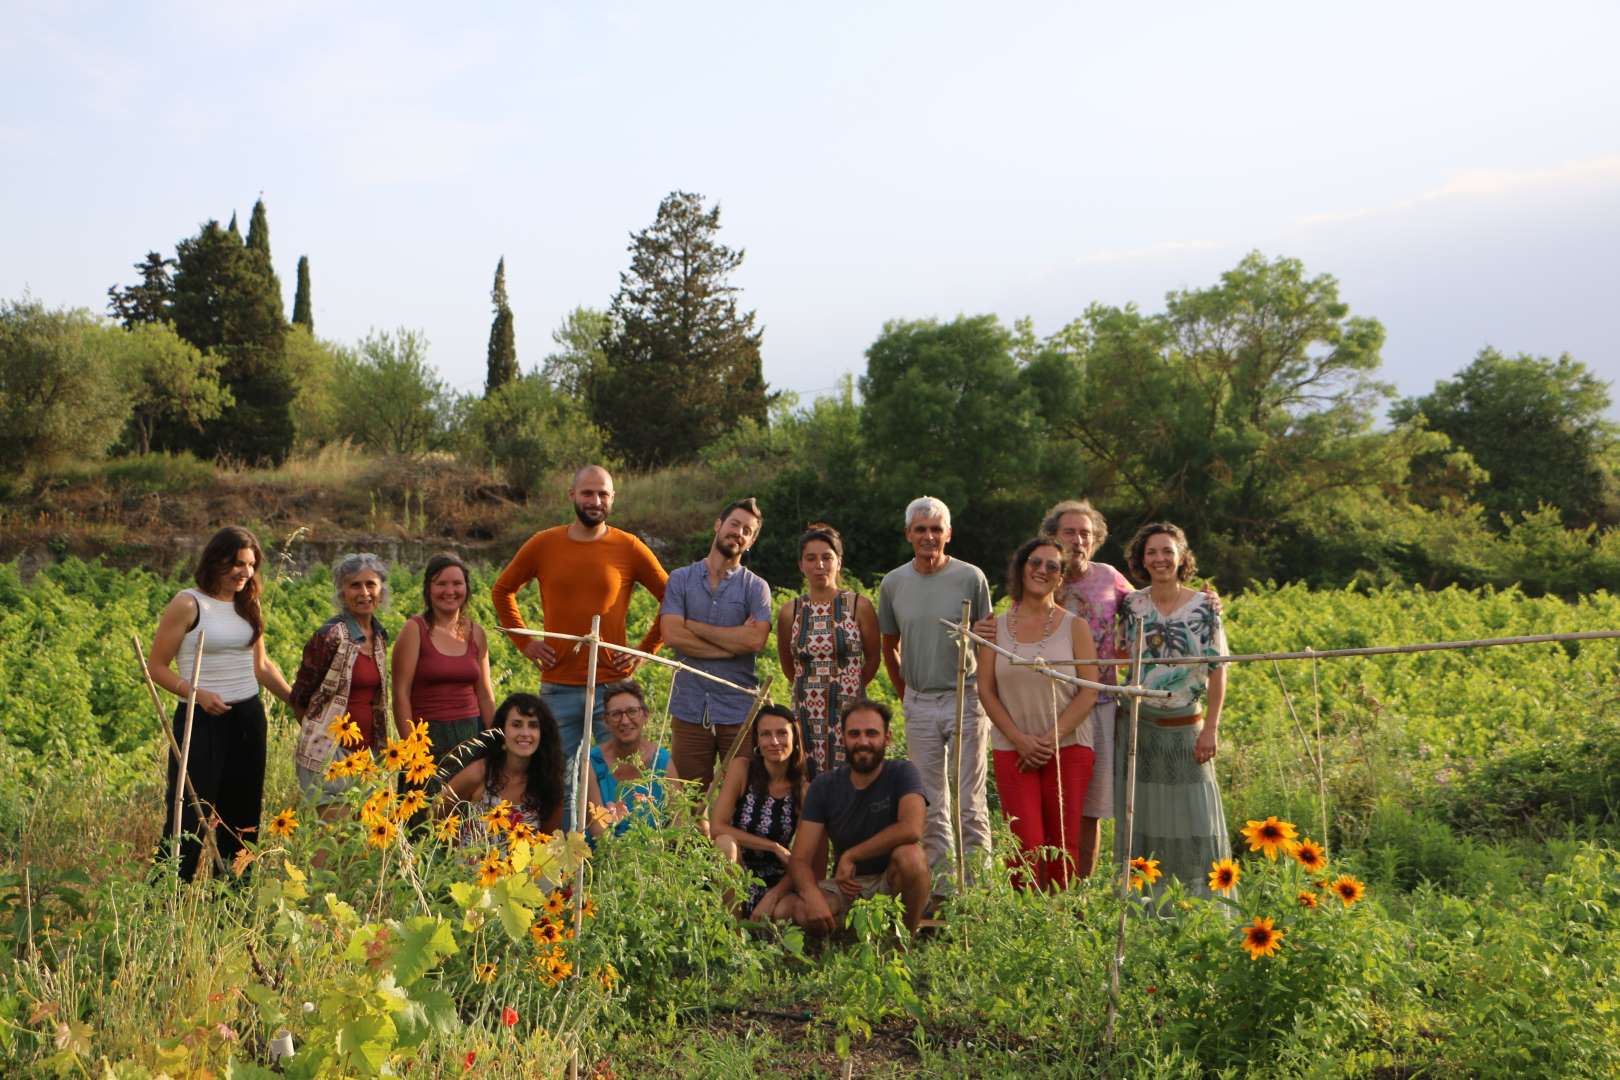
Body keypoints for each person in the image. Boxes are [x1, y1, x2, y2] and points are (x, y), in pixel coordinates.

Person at [491, 465, 669, 826]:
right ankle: (565, 863)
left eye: (603, 494)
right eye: (587, 493)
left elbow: (673, 598)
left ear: (612, 499)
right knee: (558, 778)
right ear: (572, 495)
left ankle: (612, 861)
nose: (595, 500)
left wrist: (642, 651)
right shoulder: (544, 543)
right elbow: (502, 590)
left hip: (612, 690)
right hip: (559, 688)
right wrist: (525, 642)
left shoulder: (628, 547)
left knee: (615, 779)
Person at [147, 526, 292, 880]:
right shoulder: (188, 603)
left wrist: (297, 703)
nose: (245, 572)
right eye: (237, 563)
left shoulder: (248, 603)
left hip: (247, 718)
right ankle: (166, 901)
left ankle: (232, 901)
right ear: (216, 561)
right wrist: (195, 693)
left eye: (251, 565)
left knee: (242, 819)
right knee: (189, 816)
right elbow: (155, 667)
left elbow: (261, 666)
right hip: (201, 720)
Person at [877, 496, 992, 889]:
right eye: (921, 529)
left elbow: (987, 638)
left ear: (948, 534)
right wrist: (905, 692)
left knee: (970, 803)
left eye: (936, 529)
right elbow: (889, 643)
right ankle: (941, 891)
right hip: (920, 701)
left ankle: (978, 892)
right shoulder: (894, 583)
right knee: (930, 803)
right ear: (909, 534)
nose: (929, 536)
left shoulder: (971, 578)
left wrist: (986, 693)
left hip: (966, 696)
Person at [976, 538, 1100, 890]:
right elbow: (986, 689)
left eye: (1052, 566)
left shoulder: (1075, 626)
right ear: (1021, 567)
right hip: (1012, 749)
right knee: (1024, 845)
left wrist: (1048, 740)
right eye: (1035, 562)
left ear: (1061, 578)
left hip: (1069, 747)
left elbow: (1089, 689)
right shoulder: (993, 627)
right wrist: (1020, 741)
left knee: (1064, 845)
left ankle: (1063, 924)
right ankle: (1024, 926)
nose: (1042, 571)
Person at [1116, 522, 1230, 898]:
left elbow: (1218, 670)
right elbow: (1120, 656)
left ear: (1182, 557)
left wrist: (1211, 729)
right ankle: (1146, 907)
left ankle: (1197, 906)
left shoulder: (1205, 606)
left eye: (1167, 551)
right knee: (1145, 818)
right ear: (1141, 559)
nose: (1160, 559)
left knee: (1194, 816)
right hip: (1141, 727)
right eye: (1152, 552)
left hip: (1186, 728)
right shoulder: (1133, 605)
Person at [785, 699, 932, 935]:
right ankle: (851, 940)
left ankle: (903, 942)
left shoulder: (903, 772)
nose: (863, 741)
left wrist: (852, 855)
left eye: (871, 733)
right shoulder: (825, 785)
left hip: (893, 881)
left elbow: (912, 828)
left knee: (912, 857)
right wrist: (812, 897)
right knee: (796, 909)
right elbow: (800, 859)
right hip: (848, 886)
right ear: (843, 738)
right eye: (854, 734)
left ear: (887, 738)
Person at [659, 497, 772, 794]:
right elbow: (671, 634)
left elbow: (755, 639)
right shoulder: (680, 579)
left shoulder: (755, 587)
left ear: (751, 542)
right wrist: (730, 644)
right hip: (689, 708)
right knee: (688, 801)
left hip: (738, 710)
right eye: (734, 524)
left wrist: (693, 626)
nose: (739, 532)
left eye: (747, 530)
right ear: (718, 525)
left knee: (742, 797)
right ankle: (696, 843)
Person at [290, 553, 394, 813]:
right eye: (354, 585)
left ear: (381, 590)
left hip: (368, 755)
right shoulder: (330, 636)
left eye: (371, 584)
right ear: (342, 592)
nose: (364, 592)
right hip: (330, 754)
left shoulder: (380, 636)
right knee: (331, 840)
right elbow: (301, 696)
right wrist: (321, 738)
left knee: (358, 847)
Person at [775, 523, 880, 777]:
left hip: (850, 708)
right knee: (807, 777)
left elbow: (873, 658)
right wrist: (812, 689)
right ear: (801, 565)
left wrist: (848, 685)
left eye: (826, 557)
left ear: (838, 562)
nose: (819, 565)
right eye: (811, 558)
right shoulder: (791, 611)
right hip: (806, 711)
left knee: (852, 776)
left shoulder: (858, 606)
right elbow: (788, 665)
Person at [391, 553, 496, 764]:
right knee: (426, 797)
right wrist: (412, 750)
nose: (450, 591)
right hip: (428, 738)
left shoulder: (477, 633)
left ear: (466, 588)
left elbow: (485, 694)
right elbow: (400, 695)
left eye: (457, 583)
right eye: (441, 584)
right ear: (428, 589)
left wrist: (496, 742)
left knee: (469, 798)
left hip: (472, 735)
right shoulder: (414, 630)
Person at [709, 704, 811, 919]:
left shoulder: (802, 790)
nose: (774, 742)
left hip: (777, 878)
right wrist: (773, 847)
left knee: (785, 911)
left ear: (795, 738)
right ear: (757, 740)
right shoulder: (742, 769)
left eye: (782, 733)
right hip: (734, 868)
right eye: (766, 734)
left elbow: (802, 858)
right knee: (724, 843)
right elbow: (717, 827)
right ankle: (734, 934)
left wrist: (773, 896)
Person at [442, 692, 566, 838]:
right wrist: (452, 846)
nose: (525, 733)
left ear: (542, 734)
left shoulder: (548, 782)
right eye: (516, 725)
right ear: (501, 731)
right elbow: (438, 810)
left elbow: (549, 841)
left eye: (533, 726)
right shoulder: (481, 773)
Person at [585, 680, 677, 837]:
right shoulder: (593, 762)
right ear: (606, 722)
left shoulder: (661, 760)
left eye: (632, 711)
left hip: (656, 854)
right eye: (616, 714)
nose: (625, 721)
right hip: (606, 853)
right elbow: (598, 829)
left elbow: (678, 817)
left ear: (645, 715)